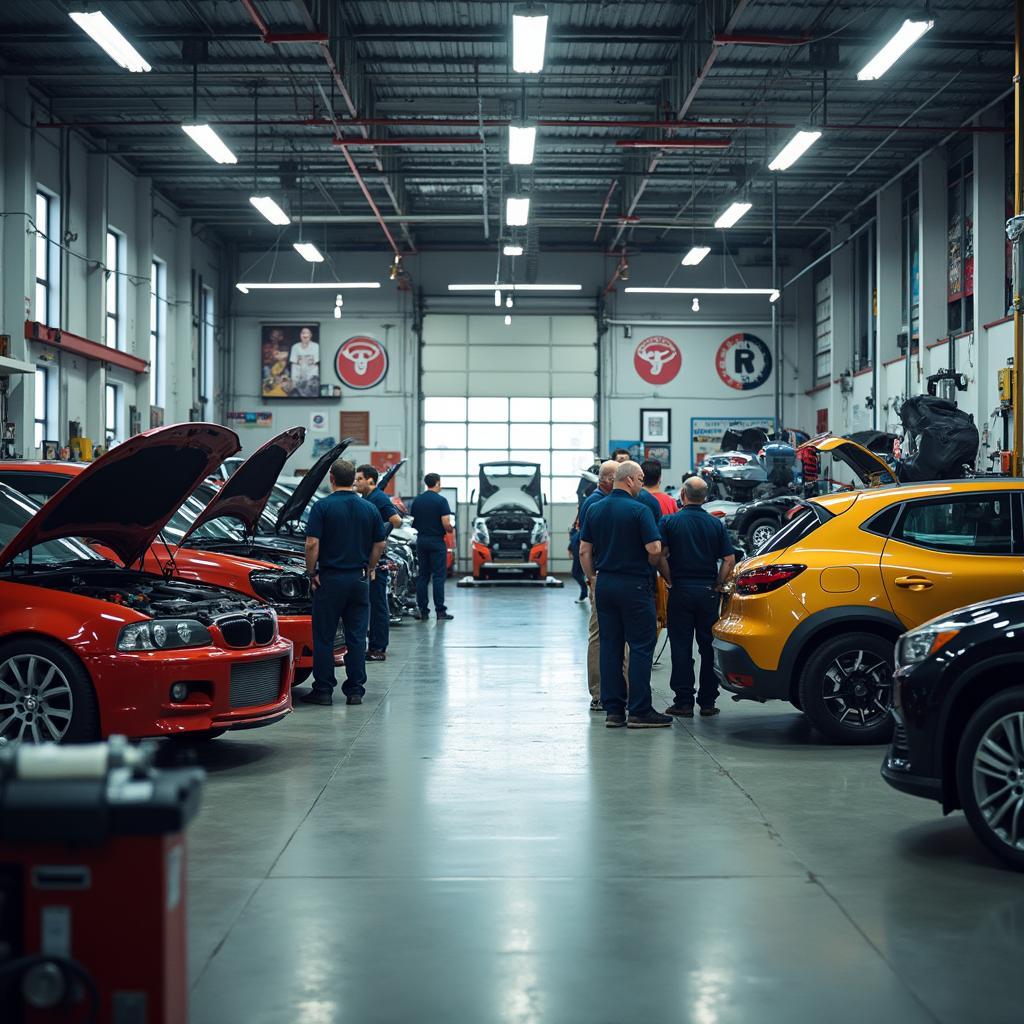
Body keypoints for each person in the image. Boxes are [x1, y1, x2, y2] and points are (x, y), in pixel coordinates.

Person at [580, 461, 671, 730]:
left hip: (605, 583)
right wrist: (651, 564)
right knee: (641, 647)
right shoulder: (640, 510)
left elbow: (585, 550)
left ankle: (614, 711)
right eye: (641, 479)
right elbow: (655, 548)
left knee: (610, 646)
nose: (643, 484)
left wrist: (593, 578)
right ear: (629, 480)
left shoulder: (594, 509)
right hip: (634, 585)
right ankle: (640, 711)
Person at [302, 459, 388, 707]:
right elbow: (380, 544)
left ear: (331, 478)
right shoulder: (369, 508)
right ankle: (355, 691)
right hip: (358, 580)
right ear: (353, 480)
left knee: (325, 637)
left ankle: (324, 690)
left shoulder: (322, 507)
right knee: (357, 637)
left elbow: (311, 543)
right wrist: (370, 568)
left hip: (330, 579)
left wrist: (311, 573)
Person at [657, 475, 736, 718]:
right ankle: (708, 701)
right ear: (706, 498)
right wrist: (718, 583)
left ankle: (683, 701)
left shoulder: (669, 522)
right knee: (708, 647)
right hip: (707, 594)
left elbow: (660, 555)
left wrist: (669, 579)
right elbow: (729, 559)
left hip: (680, 590)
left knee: (681, 647)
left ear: (682, 494)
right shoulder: (715, 525)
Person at [580, 460, 619, 710]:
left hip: (602, 576)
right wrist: (591, 578)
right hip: (602, 576)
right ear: (608, 480)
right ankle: (599, 693)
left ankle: (607, 691)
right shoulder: (595, 503)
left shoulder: (594, 502)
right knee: (600, 635)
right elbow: (586, 548)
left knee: (604, 635)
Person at [355, 464, 403, 661]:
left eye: (359, 479)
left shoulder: (379, 498)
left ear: (370, 480)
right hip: (366, 556)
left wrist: (380, 534)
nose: (356, 482)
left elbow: (396, 520)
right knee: (371, 604)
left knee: (378, 605)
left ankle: (378, 648)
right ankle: (373, 644)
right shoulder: (367, 498)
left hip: (377, 559)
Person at [411, 472, 454, 620]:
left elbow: (413, 522)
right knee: (438, 576)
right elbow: (446, 523)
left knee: (423, 576)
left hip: (421, 540)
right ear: (437, 483)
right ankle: (440, 611)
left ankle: (423, 611)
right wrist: (450, 529)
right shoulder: (441, 501)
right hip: (436, 541)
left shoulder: (417, 501)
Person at [289, 326, 320, 398]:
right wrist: (294, 381)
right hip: (298, 377)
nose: (305, 335)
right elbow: (294, 364)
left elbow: (315, 363)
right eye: (303, 333)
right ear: (300, 335)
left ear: (311, 335)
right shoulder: (295, 347)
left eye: (307, 333)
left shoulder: (316, 346)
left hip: (312, 378)